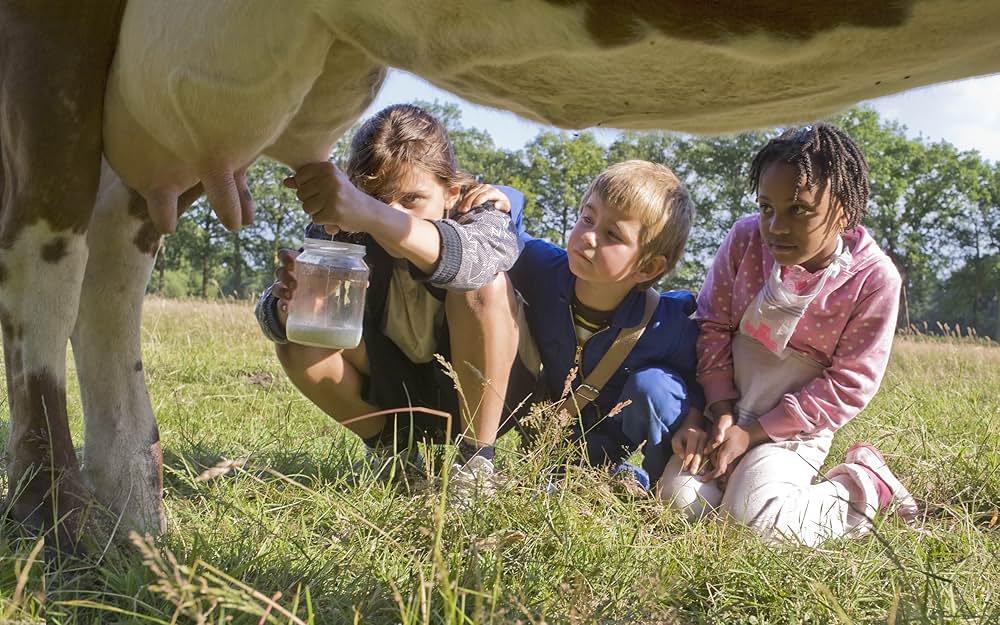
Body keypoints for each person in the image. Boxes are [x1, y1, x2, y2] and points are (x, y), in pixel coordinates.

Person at [658, 123, 918, 546]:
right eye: (766, 208)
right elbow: (713, 326)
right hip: (725, 411)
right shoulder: (745, 240)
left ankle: (865, 487)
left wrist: (753, 434)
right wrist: (723, 413)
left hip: (791, 432)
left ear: (845, 212)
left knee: (754, 526)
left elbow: (849, 385)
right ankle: (742, 484)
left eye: (799, 210)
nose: (776, 226)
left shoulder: (873, 279)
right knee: (679, 501)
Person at [255, 104, 531, 496]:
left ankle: (475, 465)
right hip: (391, 385)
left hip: (482, 393)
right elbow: (272, 315)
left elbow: (476, 264)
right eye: (376, 198)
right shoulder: (341, 226)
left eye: (412, 199)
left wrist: (367, 213)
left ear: (451, 193)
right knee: (296, 342)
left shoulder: (482, 211)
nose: (392, 212)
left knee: (483, 285)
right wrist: (285, 307)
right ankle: (393, 453)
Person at [508, 160, 701, 489]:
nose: (588, 237)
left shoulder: (665, 323)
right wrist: (503, 197)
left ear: (648, 267)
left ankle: (660, 487)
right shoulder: (544, 269)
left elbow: (700, 379)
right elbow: (510, 228)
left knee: (655, 386)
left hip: (618, 438)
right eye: (587, 218)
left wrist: (696, 418)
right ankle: (606, 480)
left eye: (611, 234)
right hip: (552, 437)